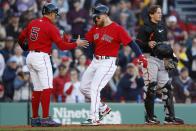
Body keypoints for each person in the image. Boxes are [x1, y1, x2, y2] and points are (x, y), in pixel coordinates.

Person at [18, 3, 88, 127]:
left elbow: (20, 38)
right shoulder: (51, 27)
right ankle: (45, 118)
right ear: (50, 13)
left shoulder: (33, 22)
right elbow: (62, 46)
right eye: (55, 14)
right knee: (47, 88)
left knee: (37, 89)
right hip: (42, 57)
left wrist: (26, 48)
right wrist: (76, 44)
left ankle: (35, 118)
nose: (56, 16)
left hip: (30, 56)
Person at [80, 4, 147, 125]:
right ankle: (102, 108)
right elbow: (85, 41)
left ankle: (94, 118)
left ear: (105, 15)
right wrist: (70, 40)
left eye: (97, 16)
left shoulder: (117, 28)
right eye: (95, 17)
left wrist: (140, 56)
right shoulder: (95, 27)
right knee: (84, 88)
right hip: (95, 61)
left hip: (108, 62)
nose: (95, 19)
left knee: (95, 88)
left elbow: (131, 43)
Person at [136, 5, 184, 124]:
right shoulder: (145, 27)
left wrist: (171, 56)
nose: (160, 14)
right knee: (151, 87)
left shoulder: (162, 26)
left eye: (160, 12)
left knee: (167, 87)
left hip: (162, 60)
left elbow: (165, 45)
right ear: (151, 14)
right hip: (149, 58)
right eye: (158, 12)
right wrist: (147, 44)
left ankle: (169, 118)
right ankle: (150, 118)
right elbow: (137, 44)